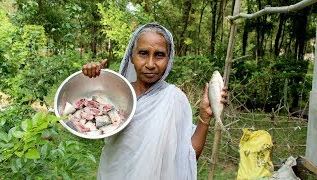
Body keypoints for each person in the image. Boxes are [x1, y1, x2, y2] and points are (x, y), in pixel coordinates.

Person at [82, 22, 227, 180]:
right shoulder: (116, 94)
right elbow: (84, 118)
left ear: (168, 59)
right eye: (143, 53)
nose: (150, 64)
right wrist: (93, 79)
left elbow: (187, 157)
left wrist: (205, 117)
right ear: (131, 56)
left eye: (159, 55)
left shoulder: (174, 99)